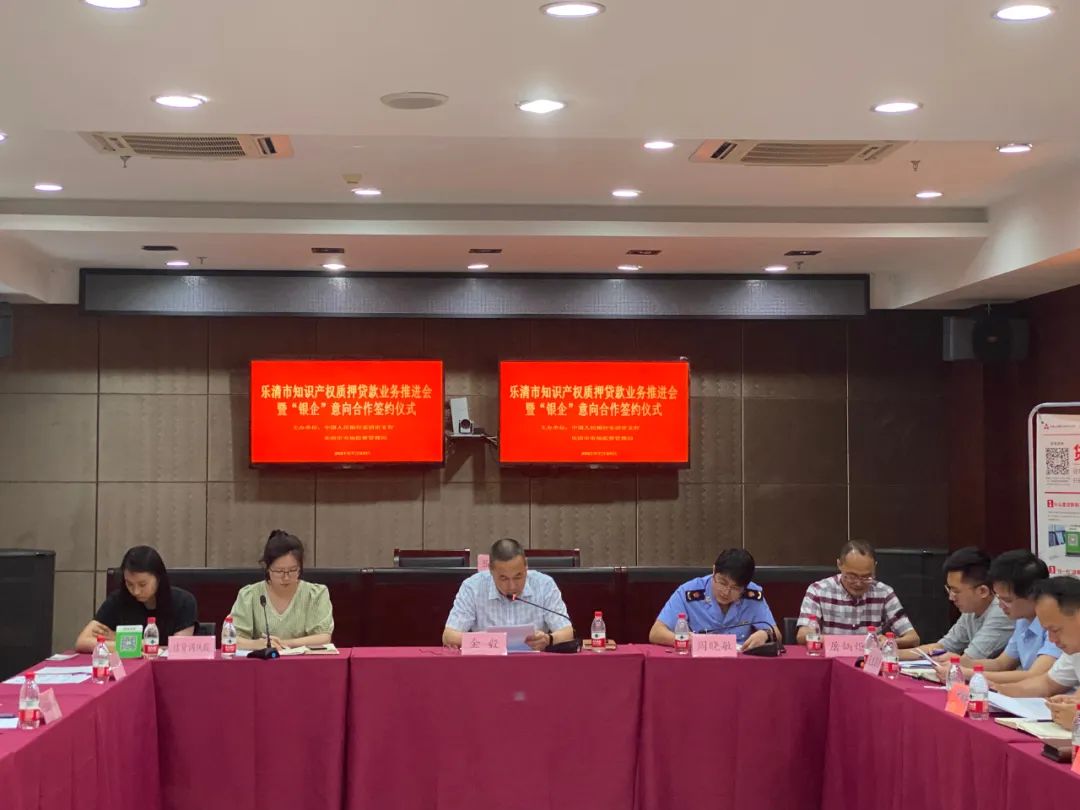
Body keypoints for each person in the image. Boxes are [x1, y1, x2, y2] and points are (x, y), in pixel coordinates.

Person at [931, 550, 1060, 684]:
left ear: (1033, 595)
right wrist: (959, 663)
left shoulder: (1056, 622)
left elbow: (1036, 675)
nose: (1000, 605)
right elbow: (1001, 664)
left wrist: (966, 673)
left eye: (1007, 600)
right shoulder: (1022, 619)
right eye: (999, 598)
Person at [442, 538, 574, 650]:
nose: (512, 586)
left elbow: (567, 632)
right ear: (491, 570)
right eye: (504, 578)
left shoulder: (544, 585)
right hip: (487, 665)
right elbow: (449, 636)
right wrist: (488, 641)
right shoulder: (473, 587)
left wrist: (548, 639)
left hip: (533, 664)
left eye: (518, 576)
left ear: (526, 566)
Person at [796, 540, 920, 648]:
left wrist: (889, 642)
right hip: (831, 659)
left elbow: (913, 638)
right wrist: (838, 642)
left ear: (874, 567)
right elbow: (802, 635)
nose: (859, 583)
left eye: (866, 577)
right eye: (852, 576)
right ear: (839, 565)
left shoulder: (884, 592)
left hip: (869, 662)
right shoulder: (818, 590)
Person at [649, 548, 779, 651]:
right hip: (698, 664)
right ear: (714, 570)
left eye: (735, 588)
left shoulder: (753, 594)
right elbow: (656, 633)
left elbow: (776, 634)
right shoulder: (689, 591)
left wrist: (765, 634)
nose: (726, 592)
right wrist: (684, 640)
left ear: (745, 586)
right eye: (722, 582)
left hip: (739, 664)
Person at [900, 547, 1014, 661]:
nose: (951, 597)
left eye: (956, 591)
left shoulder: (1002, 612)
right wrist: (894, 654)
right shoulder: (971, 610)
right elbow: (942, 647)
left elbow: (969, 660)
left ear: (982, 591)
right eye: (949, 589)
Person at [75, 545, 197, 653]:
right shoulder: (117, 600)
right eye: (129, 584)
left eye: (142, 584)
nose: (135, 591)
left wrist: (121, 639)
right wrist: (138, 644)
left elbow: (178, 649)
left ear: (159, 578)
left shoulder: (184, 602)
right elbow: (82, 642)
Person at [996, 576, 1080, 730]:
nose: (1052, 640)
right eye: (1047, 631)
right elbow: (1047, 683)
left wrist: (1077, 720)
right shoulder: (1075, 650)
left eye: (1055, 630)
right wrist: (997, 690)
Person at [230, 530, 334, 651]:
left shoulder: (316, 594)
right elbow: (232, 638)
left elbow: (323, 637)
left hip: (303, 661)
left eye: (292, 570)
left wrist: (283, 644)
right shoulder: (249, 595)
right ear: (267, 568)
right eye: (279, 571)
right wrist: (257, 645)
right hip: (263, 661)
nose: (286, 578)